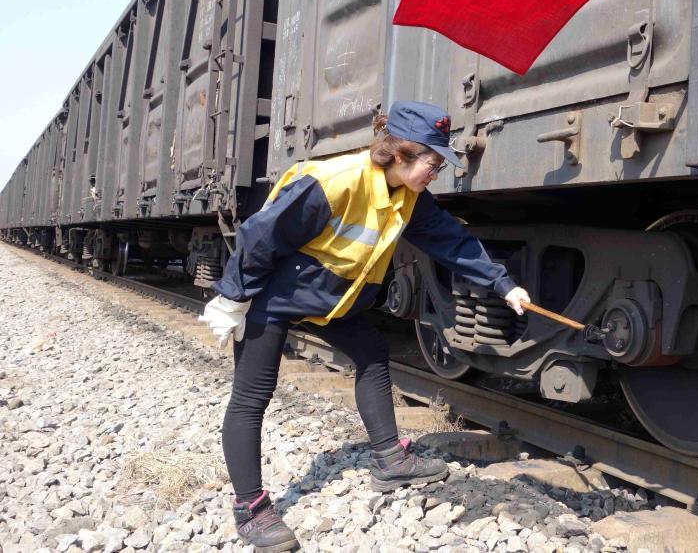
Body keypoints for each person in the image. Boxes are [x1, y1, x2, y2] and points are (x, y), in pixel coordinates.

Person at [199, 101, 531, 552]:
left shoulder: (410, 197)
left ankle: (390, 460)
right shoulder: (334, 182)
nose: (437, 173)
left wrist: (504, 285)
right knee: (252, 395)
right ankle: (251, 509)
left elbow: (453, 242)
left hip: (331, 301)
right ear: (402, 154)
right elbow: (260, 236)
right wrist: (234, 297)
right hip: (274, 297)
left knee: (372, 353)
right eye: (433, 163)